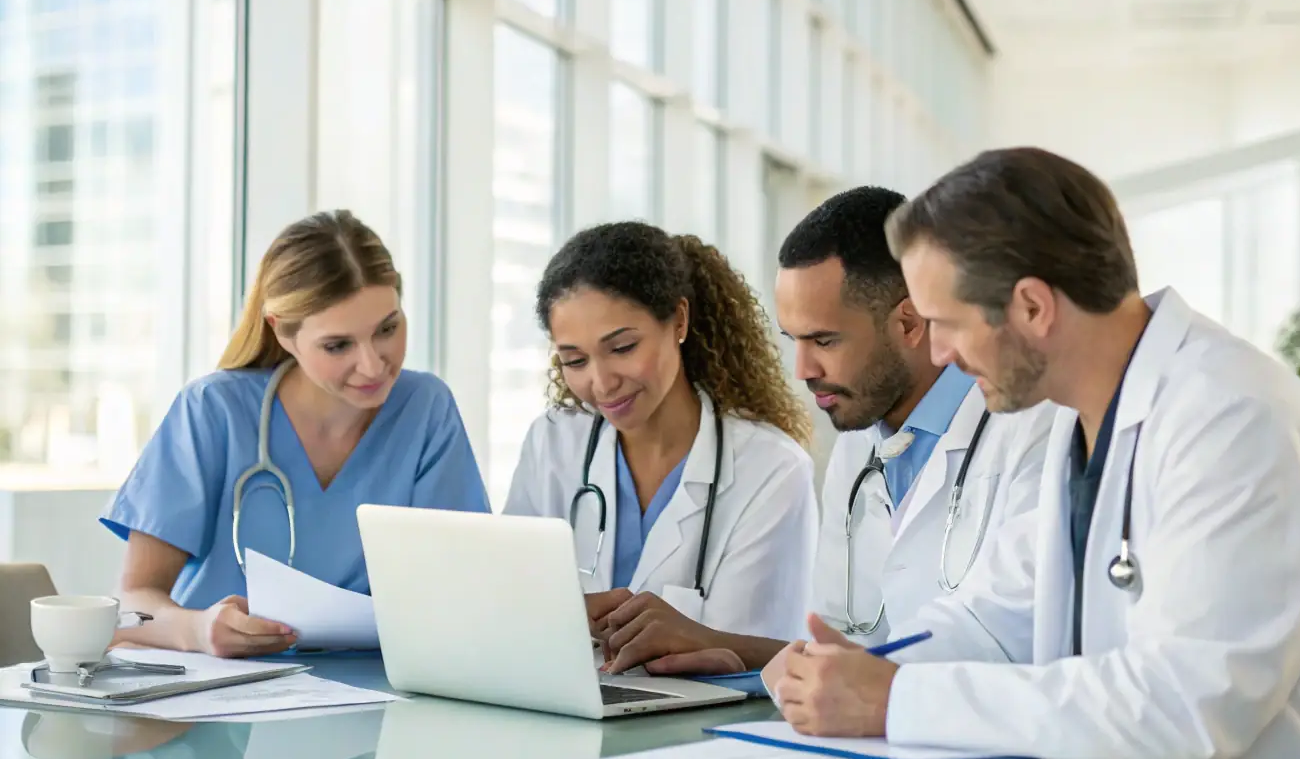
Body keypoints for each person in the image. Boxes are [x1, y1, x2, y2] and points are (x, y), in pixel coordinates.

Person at [772, 147, 1300, 759]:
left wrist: (895, 699)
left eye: (946, 323)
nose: (938, 353)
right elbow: (994, 613)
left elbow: (1189, 703)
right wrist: (857, 668)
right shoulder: (1081, 424)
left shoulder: (1233, 418)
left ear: (1032, 307)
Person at [593, 188, 1053, 675]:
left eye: (824, 340)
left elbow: (999, 642)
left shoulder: (1031, 428)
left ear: (910, 322)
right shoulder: (859, 446)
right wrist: (731, 656)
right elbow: (842, 647)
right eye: (794, 340)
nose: (803, 369)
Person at [104, 210, 490, 657]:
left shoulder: (425, 408)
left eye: (387, 329)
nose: (373, 364)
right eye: (338, 345)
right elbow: (132, 605)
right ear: (282, 331)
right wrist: (196, 630)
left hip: (375, 697)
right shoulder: (213, 411)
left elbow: (459, 588)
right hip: (221, 702)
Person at [504, 221, 817, 642]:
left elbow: (766, 653)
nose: (601, 383)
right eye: (575, 361)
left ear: (679, 321)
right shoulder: (553, 444)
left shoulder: (771, 469)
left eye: (622, 348)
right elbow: (507, 607)